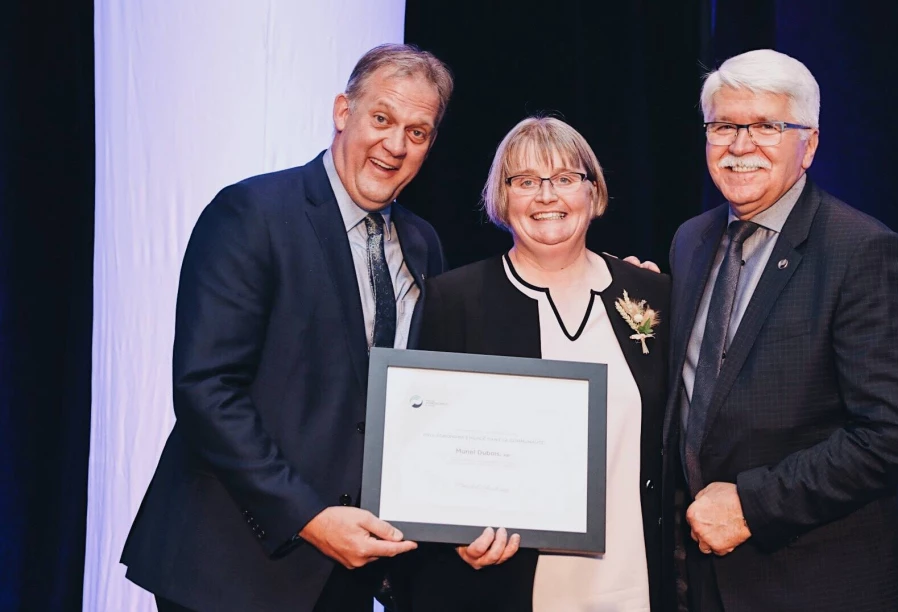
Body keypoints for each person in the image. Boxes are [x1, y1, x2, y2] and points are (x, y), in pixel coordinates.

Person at [121, 44, 452, 611]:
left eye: (417, 133)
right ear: (342, 111)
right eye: (382, 119)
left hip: (347, 575)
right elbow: (206, 390)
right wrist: (310, 517)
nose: (395, 146)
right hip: (231, 567)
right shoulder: (252, 213)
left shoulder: (423, 246)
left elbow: (416, 401)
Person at [665, 49, 898, 611]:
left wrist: (752, 505)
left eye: (766, 125)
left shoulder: (862, 251)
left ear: (808, 145)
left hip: (819, 581)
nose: (741, 146)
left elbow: (894, 434)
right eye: (724, 126)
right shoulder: (690, 241)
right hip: (702, 582)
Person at [401, 116, 672, 611]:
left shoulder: (652, 294)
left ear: (593, 192)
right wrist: (456, 532)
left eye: (565, 179)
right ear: (503, 199)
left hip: (632, 580)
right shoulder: (456, 299)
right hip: (505, 582)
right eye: (525, 182)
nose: (547, 196)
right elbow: (421, 448)